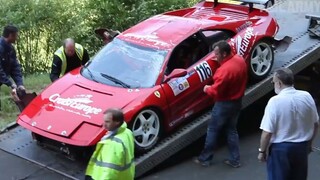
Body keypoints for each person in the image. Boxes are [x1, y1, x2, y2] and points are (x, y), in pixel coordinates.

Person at [258, 68, 319, 180]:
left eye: (273, 82)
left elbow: (267, 132)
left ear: (279, 83)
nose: (274, 85)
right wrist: (309, 144)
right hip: (301, 147)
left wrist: (262, 151)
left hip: (280, 150)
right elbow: (316, 124)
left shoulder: (275, 102)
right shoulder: (306, 96)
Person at [194, 40, 248, 167]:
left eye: (217, 54)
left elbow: (216, 91)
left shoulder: (224, 71)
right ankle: (235, 160)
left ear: (224, 54)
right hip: (237, 102)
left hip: (224, 105)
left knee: (213, 130)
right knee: (231, 130)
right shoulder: (239, 60)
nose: (214, 57)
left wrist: (207, 88)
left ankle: (205, 158)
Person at [85, 108, 135, 180]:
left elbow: (110, 171)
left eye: (107, 122)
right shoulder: (127, 132)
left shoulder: (113, 144)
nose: (104, 124)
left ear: (117, 122)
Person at [0, 25, 25, 110]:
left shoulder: (10, 49)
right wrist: (10, 83)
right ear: (11, 35)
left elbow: (15, 67)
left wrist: (19, 83)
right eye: (16, 35)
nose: (16, 38)